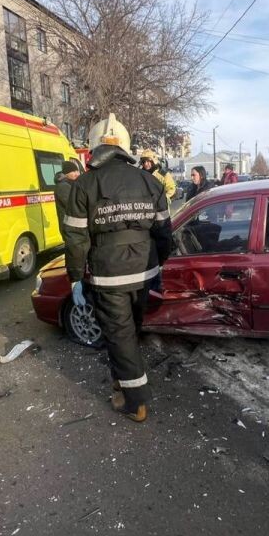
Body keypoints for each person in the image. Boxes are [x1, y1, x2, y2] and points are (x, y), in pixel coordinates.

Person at [62, 114, 173, 423]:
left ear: (95, 148)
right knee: (130, 329)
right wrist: (159, 263)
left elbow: (75, 238)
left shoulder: (84, 185)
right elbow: (165, 232)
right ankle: (121, 378)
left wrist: (75, 276)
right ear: (125, 146)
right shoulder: (151, 181)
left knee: (120, 334)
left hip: (109, 274)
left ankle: (136, 402)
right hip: (145, 270)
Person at [53, 160, 81, 235]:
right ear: (66, 173)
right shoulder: (63, 186)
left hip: (73, 226)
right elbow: (73, 205)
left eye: (77, 171)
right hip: (69, 227)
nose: (77, 174)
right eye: (74, 171)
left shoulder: (71, 184)